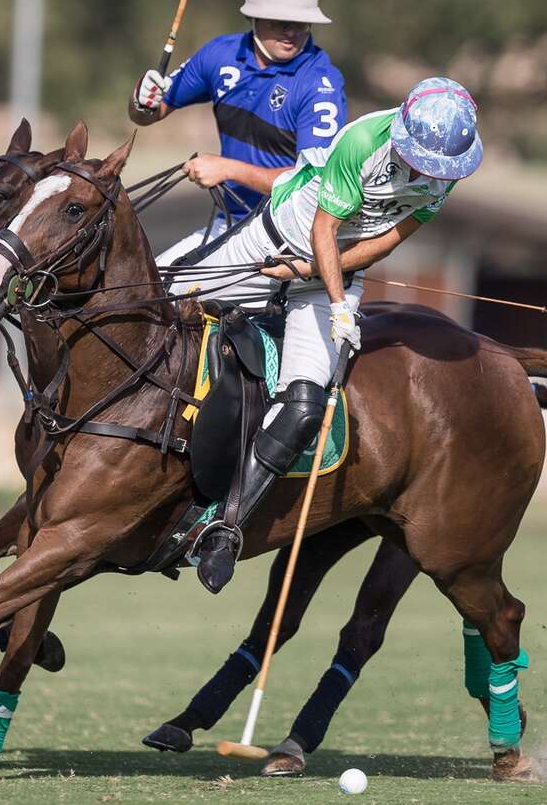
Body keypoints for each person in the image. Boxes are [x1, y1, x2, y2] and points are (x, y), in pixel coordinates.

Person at [168, 77, 483, 593]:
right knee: (163, 315)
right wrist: (334, 300)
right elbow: (323, 229)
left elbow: (382, 242)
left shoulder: (444, 175)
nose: (430, 173)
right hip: (265, 247)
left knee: (305, 405)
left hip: (323, 279)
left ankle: (223, 529)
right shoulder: (363, 143)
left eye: (438, 167)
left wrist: (316, 283)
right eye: (424, 161)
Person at [128, 0, 347, 264]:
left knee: (177, 298)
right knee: (152, 289)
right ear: (254, 17)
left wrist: (228, 169)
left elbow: (314, 182)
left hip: (292, 233)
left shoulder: (320, 84)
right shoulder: (220, 55)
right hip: (230, 223)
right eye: (280, 21)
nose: (291, 32)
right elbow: (148, 115)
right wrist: (141, 99)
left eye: (301, 23)